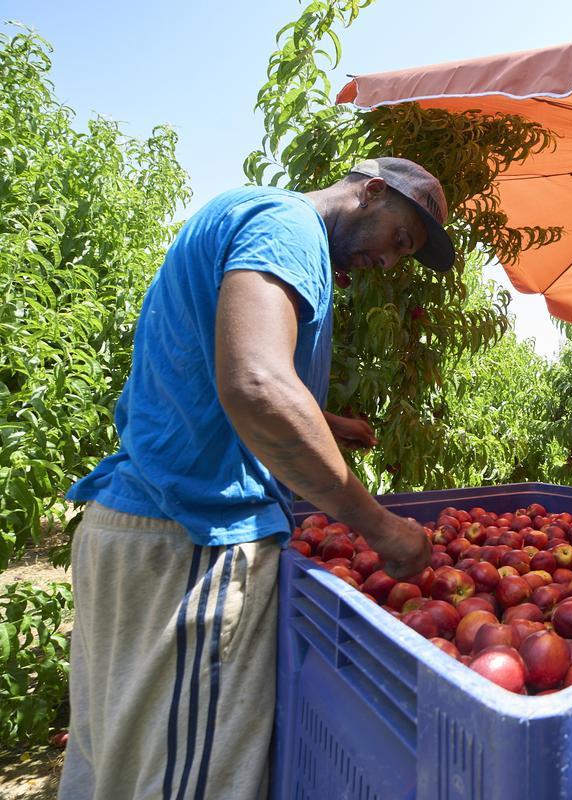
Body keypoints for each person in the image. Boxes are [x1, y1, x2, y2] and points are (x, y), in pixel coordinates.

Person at [57, 157, 448, 800]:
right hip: (194, 544)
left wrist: (320, 420)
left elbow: (212, 372)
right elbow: (259, 387)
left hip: (133, 526)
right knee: (188, 781)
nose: (391, 263)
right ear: (372, 192)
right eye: (399, 240)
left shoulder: (251, 216)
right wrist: (380, 528)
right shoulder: (287, 227)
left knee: (117, 771)